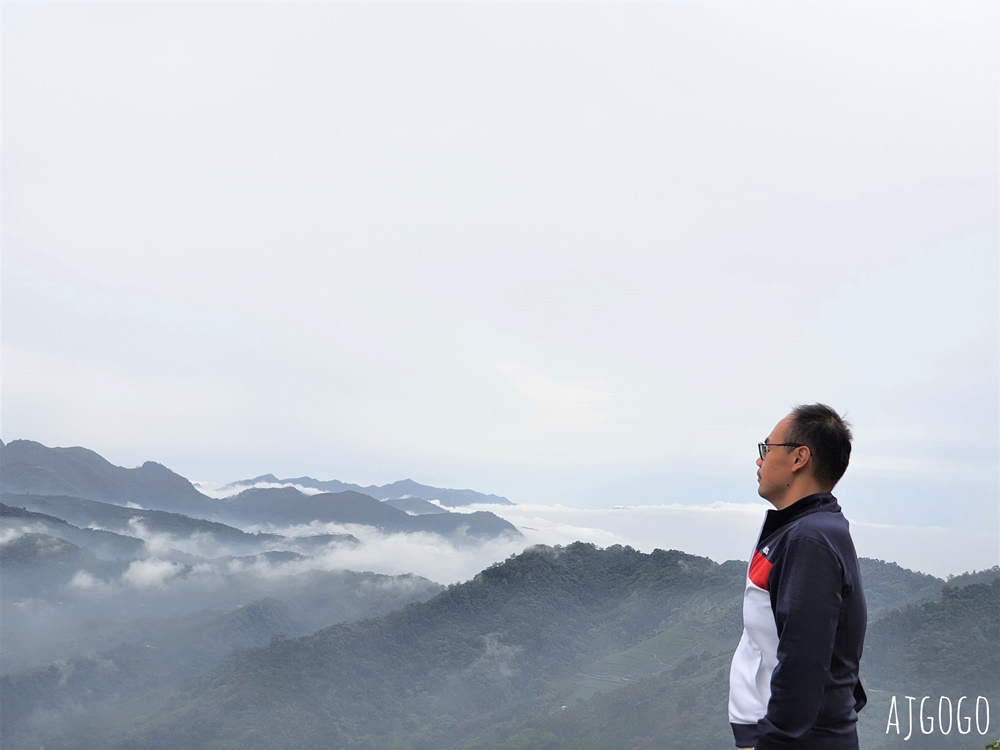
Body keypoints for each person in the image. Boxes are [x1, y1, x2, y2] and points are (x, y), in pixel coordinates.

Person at [728, 403, 867, 750]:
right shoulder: (801, 530)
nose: (759, 460)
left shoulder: (810, 539)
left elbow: (804, 660)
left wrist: (774, 741)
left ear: (798, 458)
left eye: (767, 448)